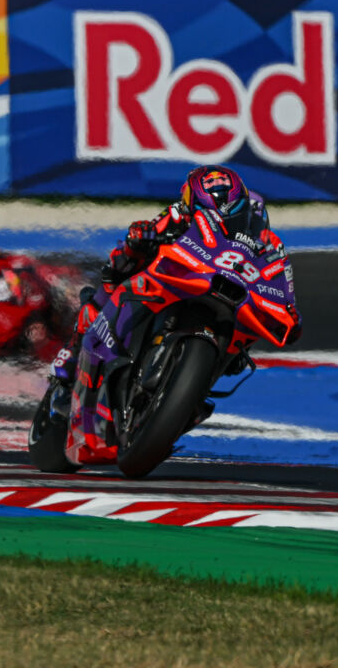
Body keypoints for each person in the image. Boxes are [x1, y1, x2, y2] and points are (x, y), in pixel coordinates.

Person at [46, 167, 279, 459]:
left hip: (218, 298)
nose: (228, 215)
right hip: (169, 282)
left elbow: (280, 287)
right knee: (109, 285)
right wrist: (138, 242)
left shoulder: (265, 247)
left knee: (240, 353)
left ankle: (173, 407)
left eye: (237, 211)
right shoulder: (178, 216)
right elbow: (127, 250)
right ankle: (70, 361)